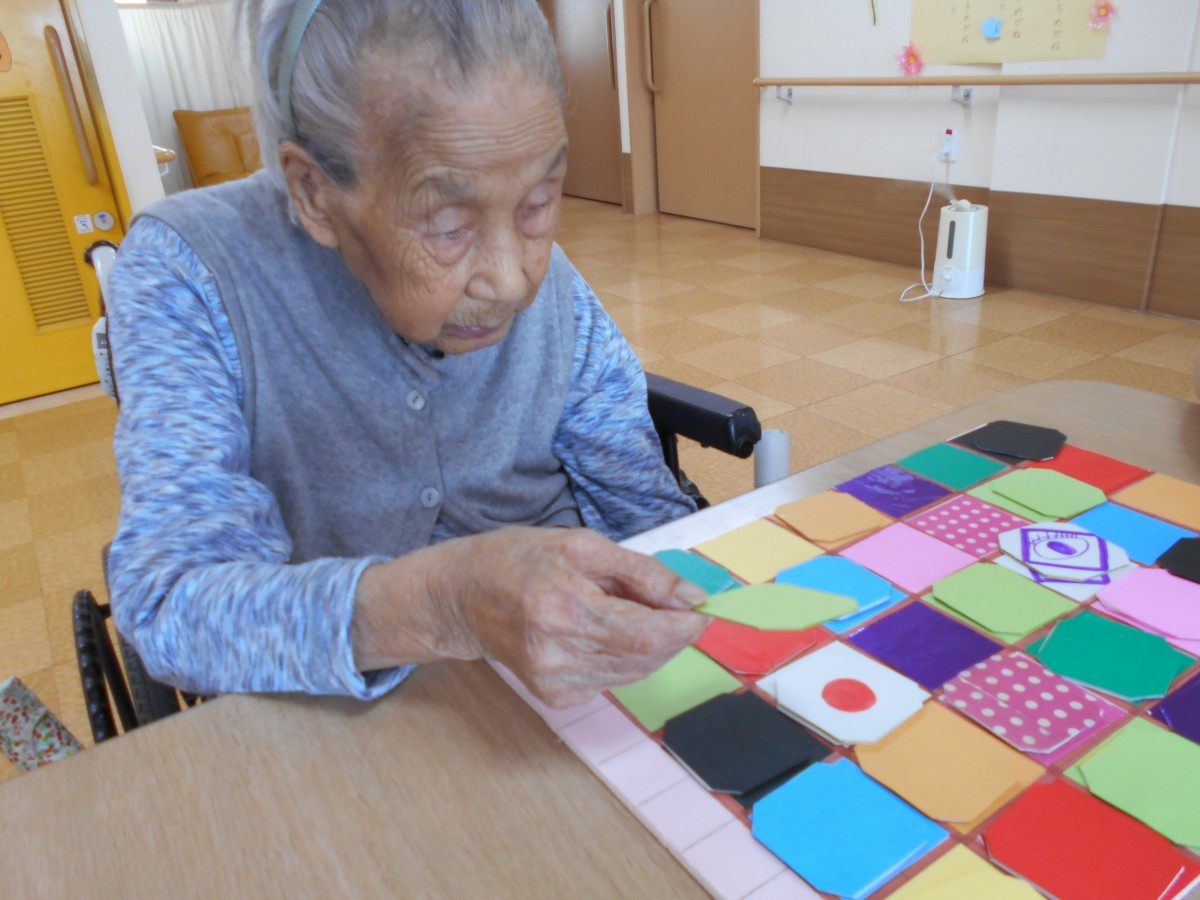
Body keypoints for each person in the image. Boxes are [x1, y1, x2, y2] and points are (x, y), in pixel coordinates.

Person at [106, 0, 709, 710]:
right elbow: (170, 604)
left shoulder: (555, 291)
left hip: (571, 701)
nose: (512, 280)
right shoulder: (188, 271)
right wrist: (442, 605)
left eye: (538, 203)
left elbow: (649, 515)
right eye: (449, 226)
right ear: (314, 193)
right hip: (353, 717)